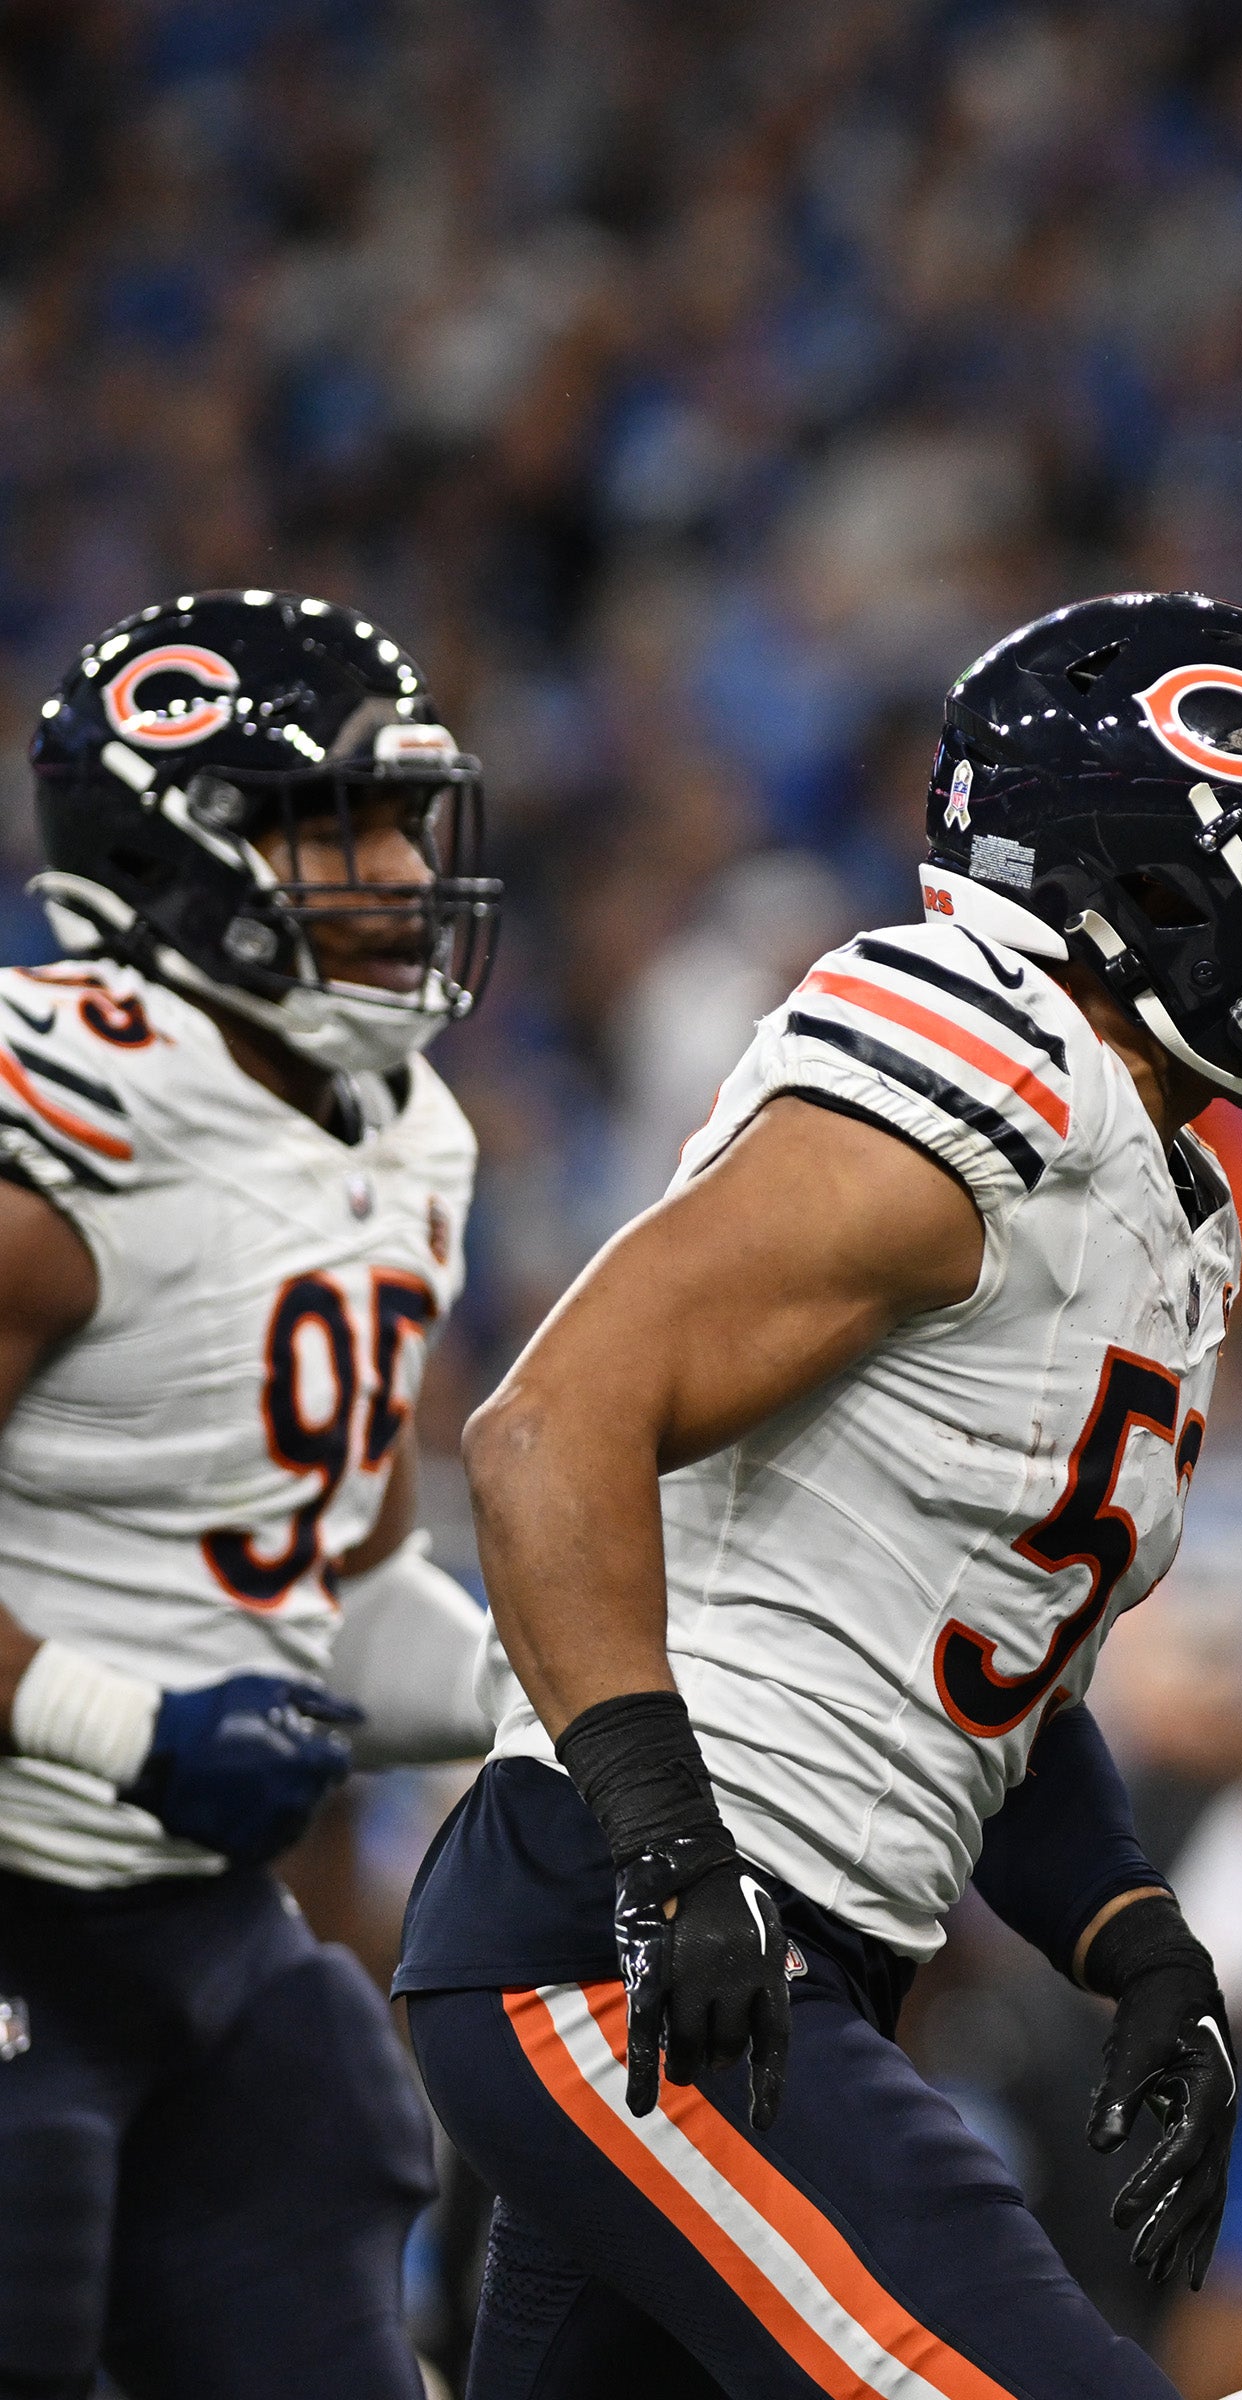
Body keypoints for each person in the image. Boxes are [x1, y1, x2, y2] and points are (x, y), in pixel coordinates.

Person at [393, 595, 1242, 2399]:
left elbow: (989, 1674)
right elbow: (550, 1427)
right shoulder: (992, 1045)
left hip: (761, 1941)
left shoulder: (1151, 1194)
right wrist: (664, 1857)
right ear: (1155, 886)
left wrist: (1139, 1946)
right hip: (636, 1935)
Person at [0, 590, 507, 2400]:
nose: (390, 871)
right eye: (327, 826)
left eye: (398, 819)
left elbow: (343, 1585)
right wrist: (110, 1722)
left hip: (202, 1925)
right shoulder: (71, 1113)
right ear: (177, 851)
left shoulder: (403, 1130)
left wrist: (562, 1713)